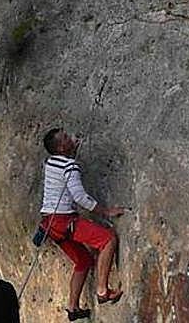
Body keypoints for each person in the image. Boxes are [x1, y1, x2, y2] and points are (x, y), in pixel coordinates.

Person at [39, 128, 126, 320]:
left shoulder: (49, 162)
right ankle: (102, 291)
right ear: (61, 147)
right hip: (64, 221)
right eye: (66, 138)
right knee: (107, 239)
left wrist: (70, 152)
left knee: (83, 261)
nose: (71, 137)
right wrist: (106, 211)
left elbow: (63, 168)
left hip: (50, 225)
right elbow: (80, 197)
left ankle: (72, 307)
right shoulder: (69, 167)